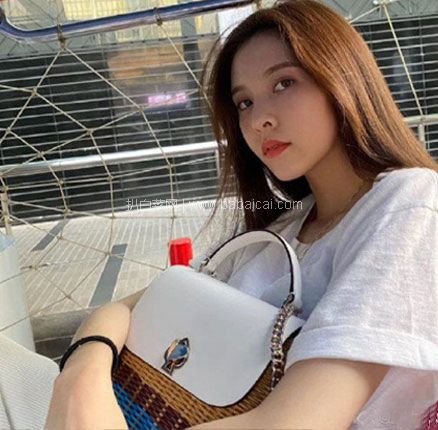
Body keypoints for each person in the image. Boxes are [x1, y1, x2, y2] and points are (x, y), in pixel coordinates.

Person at [45, 0, 438, 428]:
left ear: (343, 79)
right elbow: (128, 306)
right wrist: (80, 375)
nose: (258, 120)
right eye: (244, 102)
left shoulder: (409, 201)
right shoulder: (278, 231)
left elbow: (290, 424)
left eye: (284, 83)